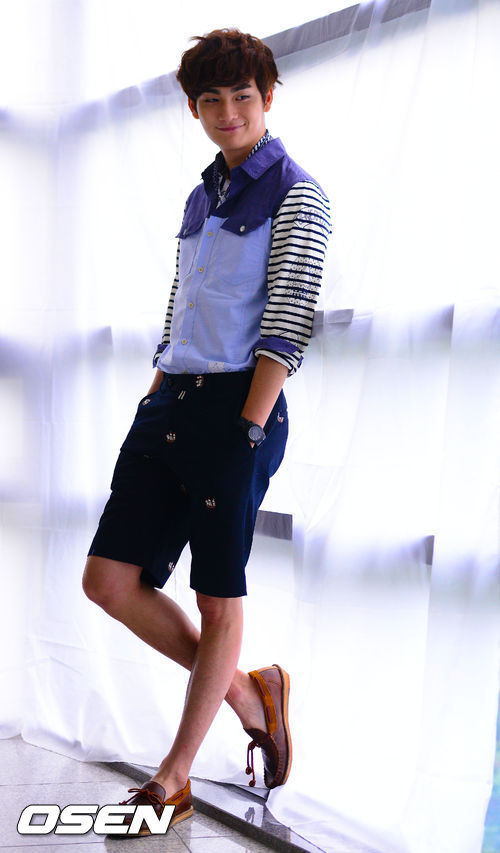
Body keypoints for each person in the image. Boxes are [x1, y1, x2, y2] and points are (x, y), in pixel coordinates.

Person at [82, 28, 331, 838]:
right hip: (170, 403)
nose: (229, 112)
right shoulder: (201, 198)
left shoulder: (298, 192)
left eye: (243, 97)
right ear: (194, 108)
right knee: (108, 580)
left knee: (215, 594)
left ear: (268, 98)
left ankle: (174, 775)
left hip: (238, 410)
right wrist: (156, 391)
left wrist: (249, 428)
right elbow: (180, 305)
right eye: (211, 100)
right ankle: (253, 695)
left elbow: (288, 321)